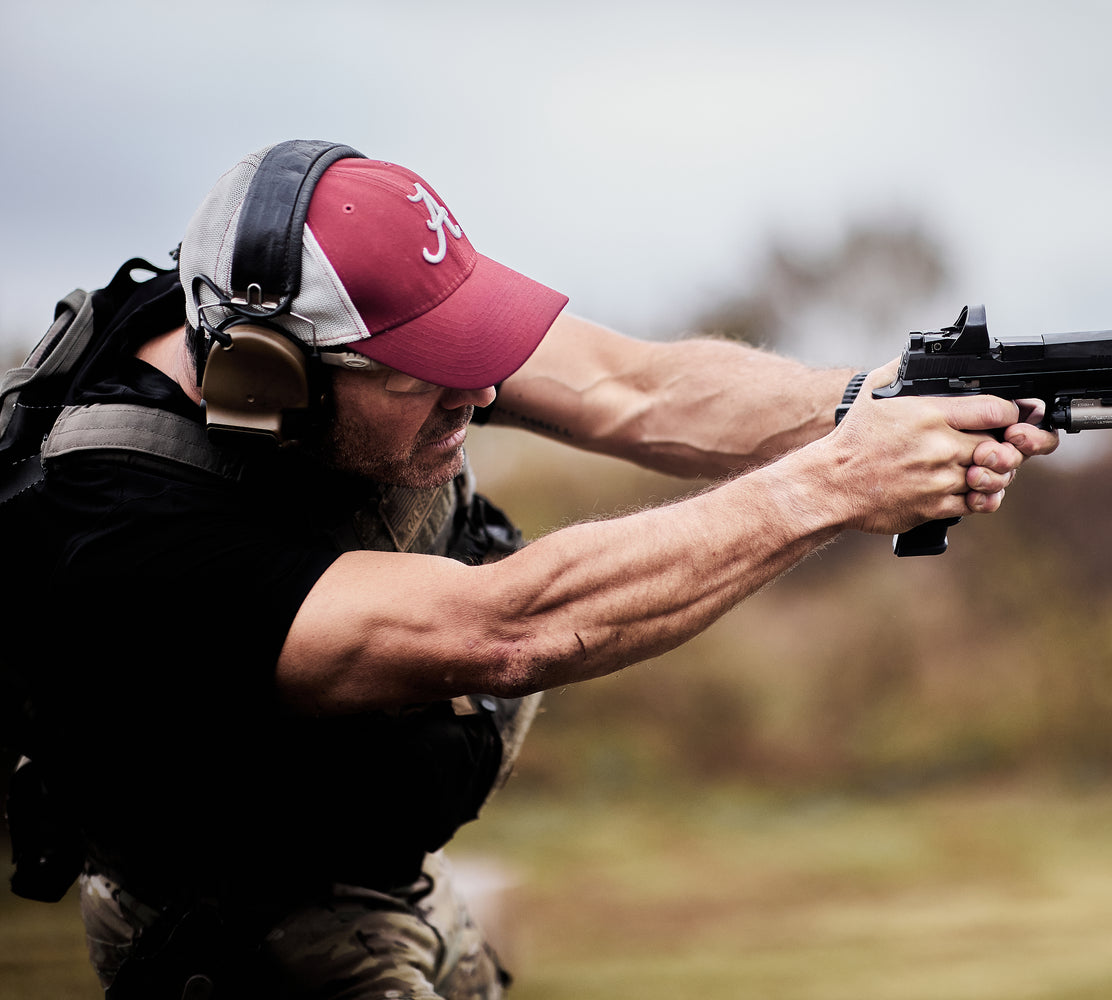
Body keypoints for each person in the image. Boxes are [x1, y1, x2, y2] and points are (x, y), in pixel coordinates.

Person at [5, 140, 1057, 998]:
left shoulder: (332, 342)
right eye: (433, 378)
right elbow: (502, 629)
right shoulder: (122, 532)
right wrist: (834, 485)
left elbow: (635, 389)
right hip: (250, 934)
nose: (480, 392)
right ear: (271, 376)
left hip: (378, 867)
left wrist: (870, 403)